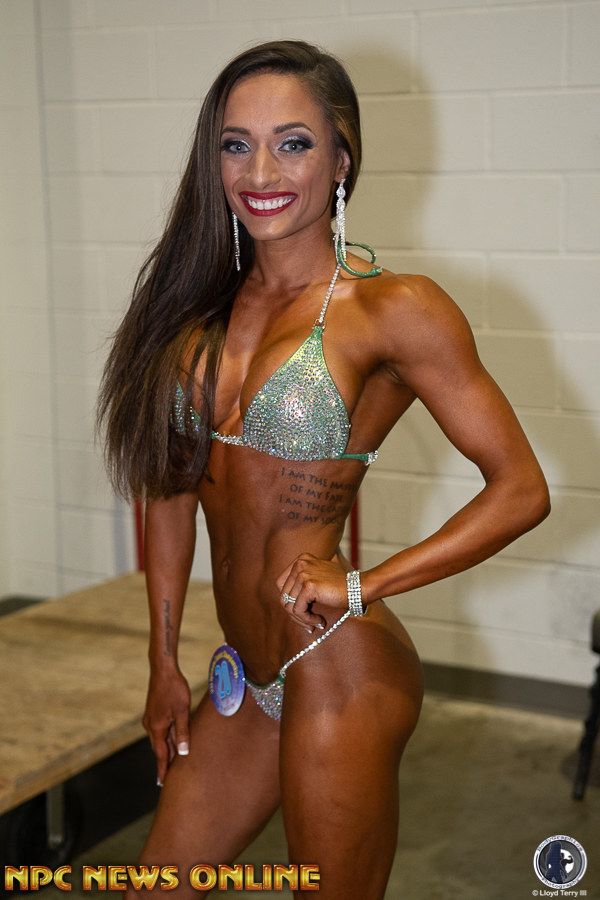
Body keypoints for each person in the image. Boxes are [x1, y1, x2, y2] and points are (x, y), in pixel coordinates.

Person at [97, 39, 550, 899]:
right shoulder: (197, 309)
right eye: (236, 144)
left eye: (293, 143)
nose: (261, 171)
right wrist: (162, 661)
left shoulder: (392, 308)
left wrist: (367, 584)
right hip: (246, 672)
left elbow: (522, 489)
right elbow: (170, 490)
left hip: (337, 662)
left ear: (341, 159)